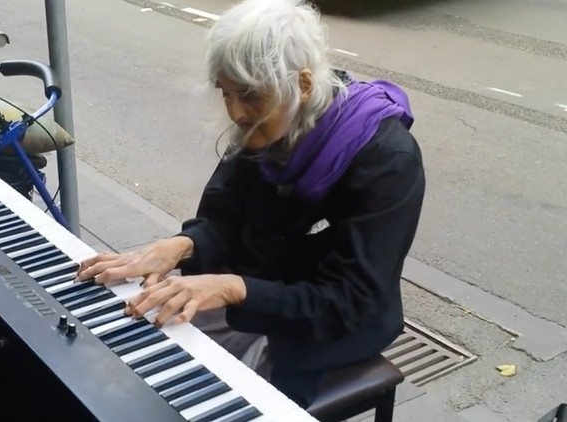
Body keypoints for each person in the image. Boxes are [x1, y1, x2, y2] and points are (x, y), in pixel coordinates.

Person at [77, 0, 426, 409]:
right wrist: (180, 246)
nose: (235, 112)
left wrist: (232, 288)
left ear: (304, 85)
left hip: (329, 323)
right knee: (119, 356)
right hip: (256, 287)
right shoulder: (267, 121)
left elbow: (350, 302)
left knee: (193, 398)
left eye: (250, 95)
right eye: (225, 92)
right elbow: (222, 220)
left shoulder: (387, 160)